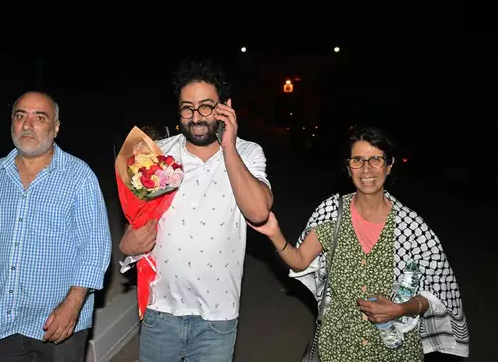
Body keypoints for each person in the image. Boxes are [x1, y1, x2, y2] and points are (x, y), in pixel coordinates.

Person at [249, 127, 469, 361]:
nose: (366, 169)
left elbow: (438, 294)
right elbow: (300, 261)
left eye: (375, 159)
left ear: (389, 165)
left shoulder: (412, 227)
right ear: (348, 167)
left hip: (393, 349)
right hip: (337, 345)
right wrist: (275, 233)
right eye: (358, 160)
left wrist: (401, 309)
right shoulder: (332, 212)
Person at [119, 59, 273, 361]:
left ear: (224, 108)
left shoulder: (248, 152)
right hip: (160, 310)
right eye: (187, 108)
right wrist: (128, 244)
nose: (196, 116)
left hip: (218, 316)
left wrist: (229, 147)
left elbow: (258, 212)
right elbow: (135, 224)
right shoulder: (157, 153)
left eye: (206, 106)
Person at [0, 91, 112, 362]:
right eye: (20, 116)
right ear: (11, 124)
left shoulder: (79, 176)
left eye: (39, 118)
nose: (28, 125)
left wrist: (72, 306)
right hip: (4, 317)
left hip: (57, 319)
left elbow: (95, 248)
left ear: (55, 128)